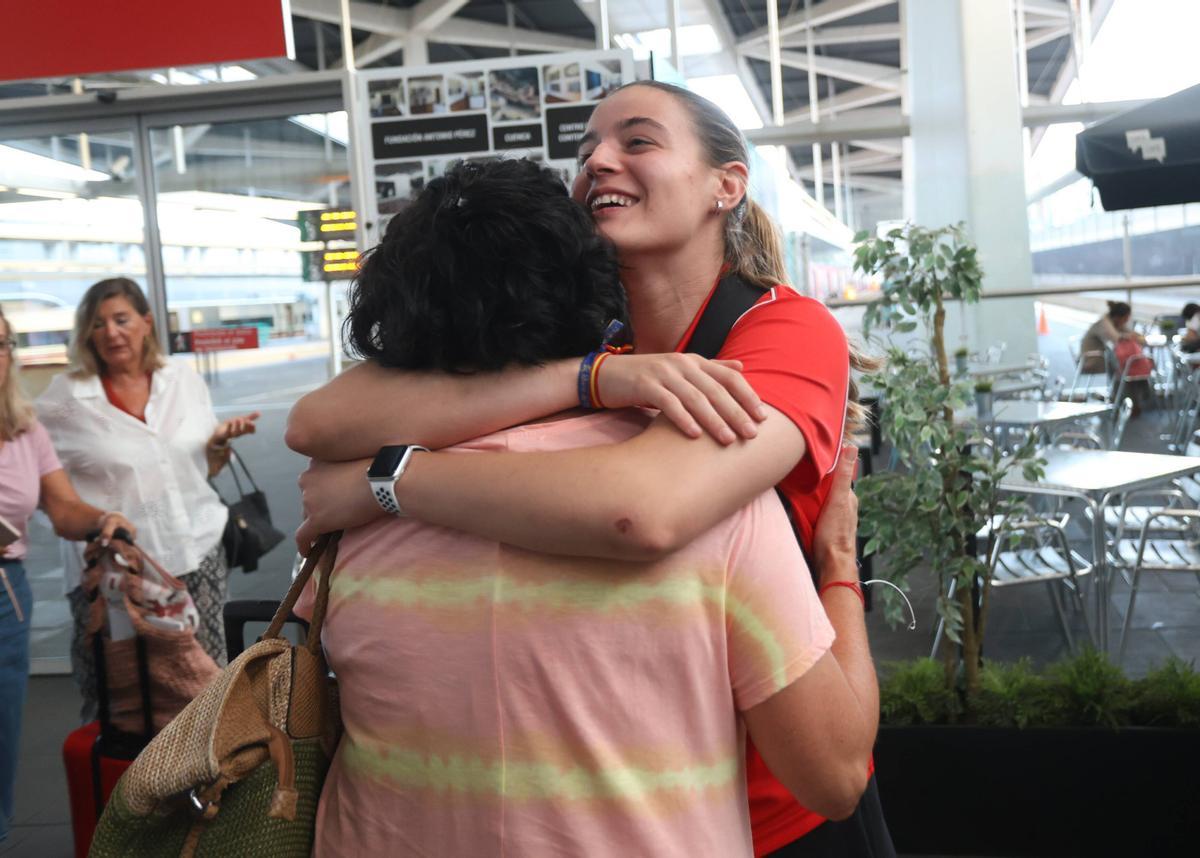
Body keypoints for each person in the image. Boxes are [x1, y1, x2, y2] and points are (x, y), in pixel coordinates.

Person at [288, 81, 889, 857]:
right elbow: (315, 420)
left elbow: (645, 507)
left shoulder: (786, 331)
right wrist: (594, 376)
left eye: (637, 141)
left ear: (726, 184)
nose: (598, 161)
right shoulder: (589, 341)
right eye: (586, 151)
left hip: (770, 797)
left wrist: (387, 483)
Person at [36, 278, 259, 721]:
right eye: (98, 323)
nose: (111, 332)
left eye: (121, 320)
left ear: (146, 322)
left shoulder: (183, 380)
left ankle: (202, 767)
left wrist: (217, 447)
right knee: (118, 697)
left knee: (206, 687)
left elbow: (200, 469)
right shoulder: (65, 399)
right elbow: (37, 475)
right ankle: (127, 769)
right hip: (114, 571)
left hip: (195, 552)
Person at [0, 308, 135, 844]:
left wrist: (102, 519)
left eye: (2, 342)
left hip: (5, 597)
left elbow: (62, 508)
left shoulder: (23, 429)